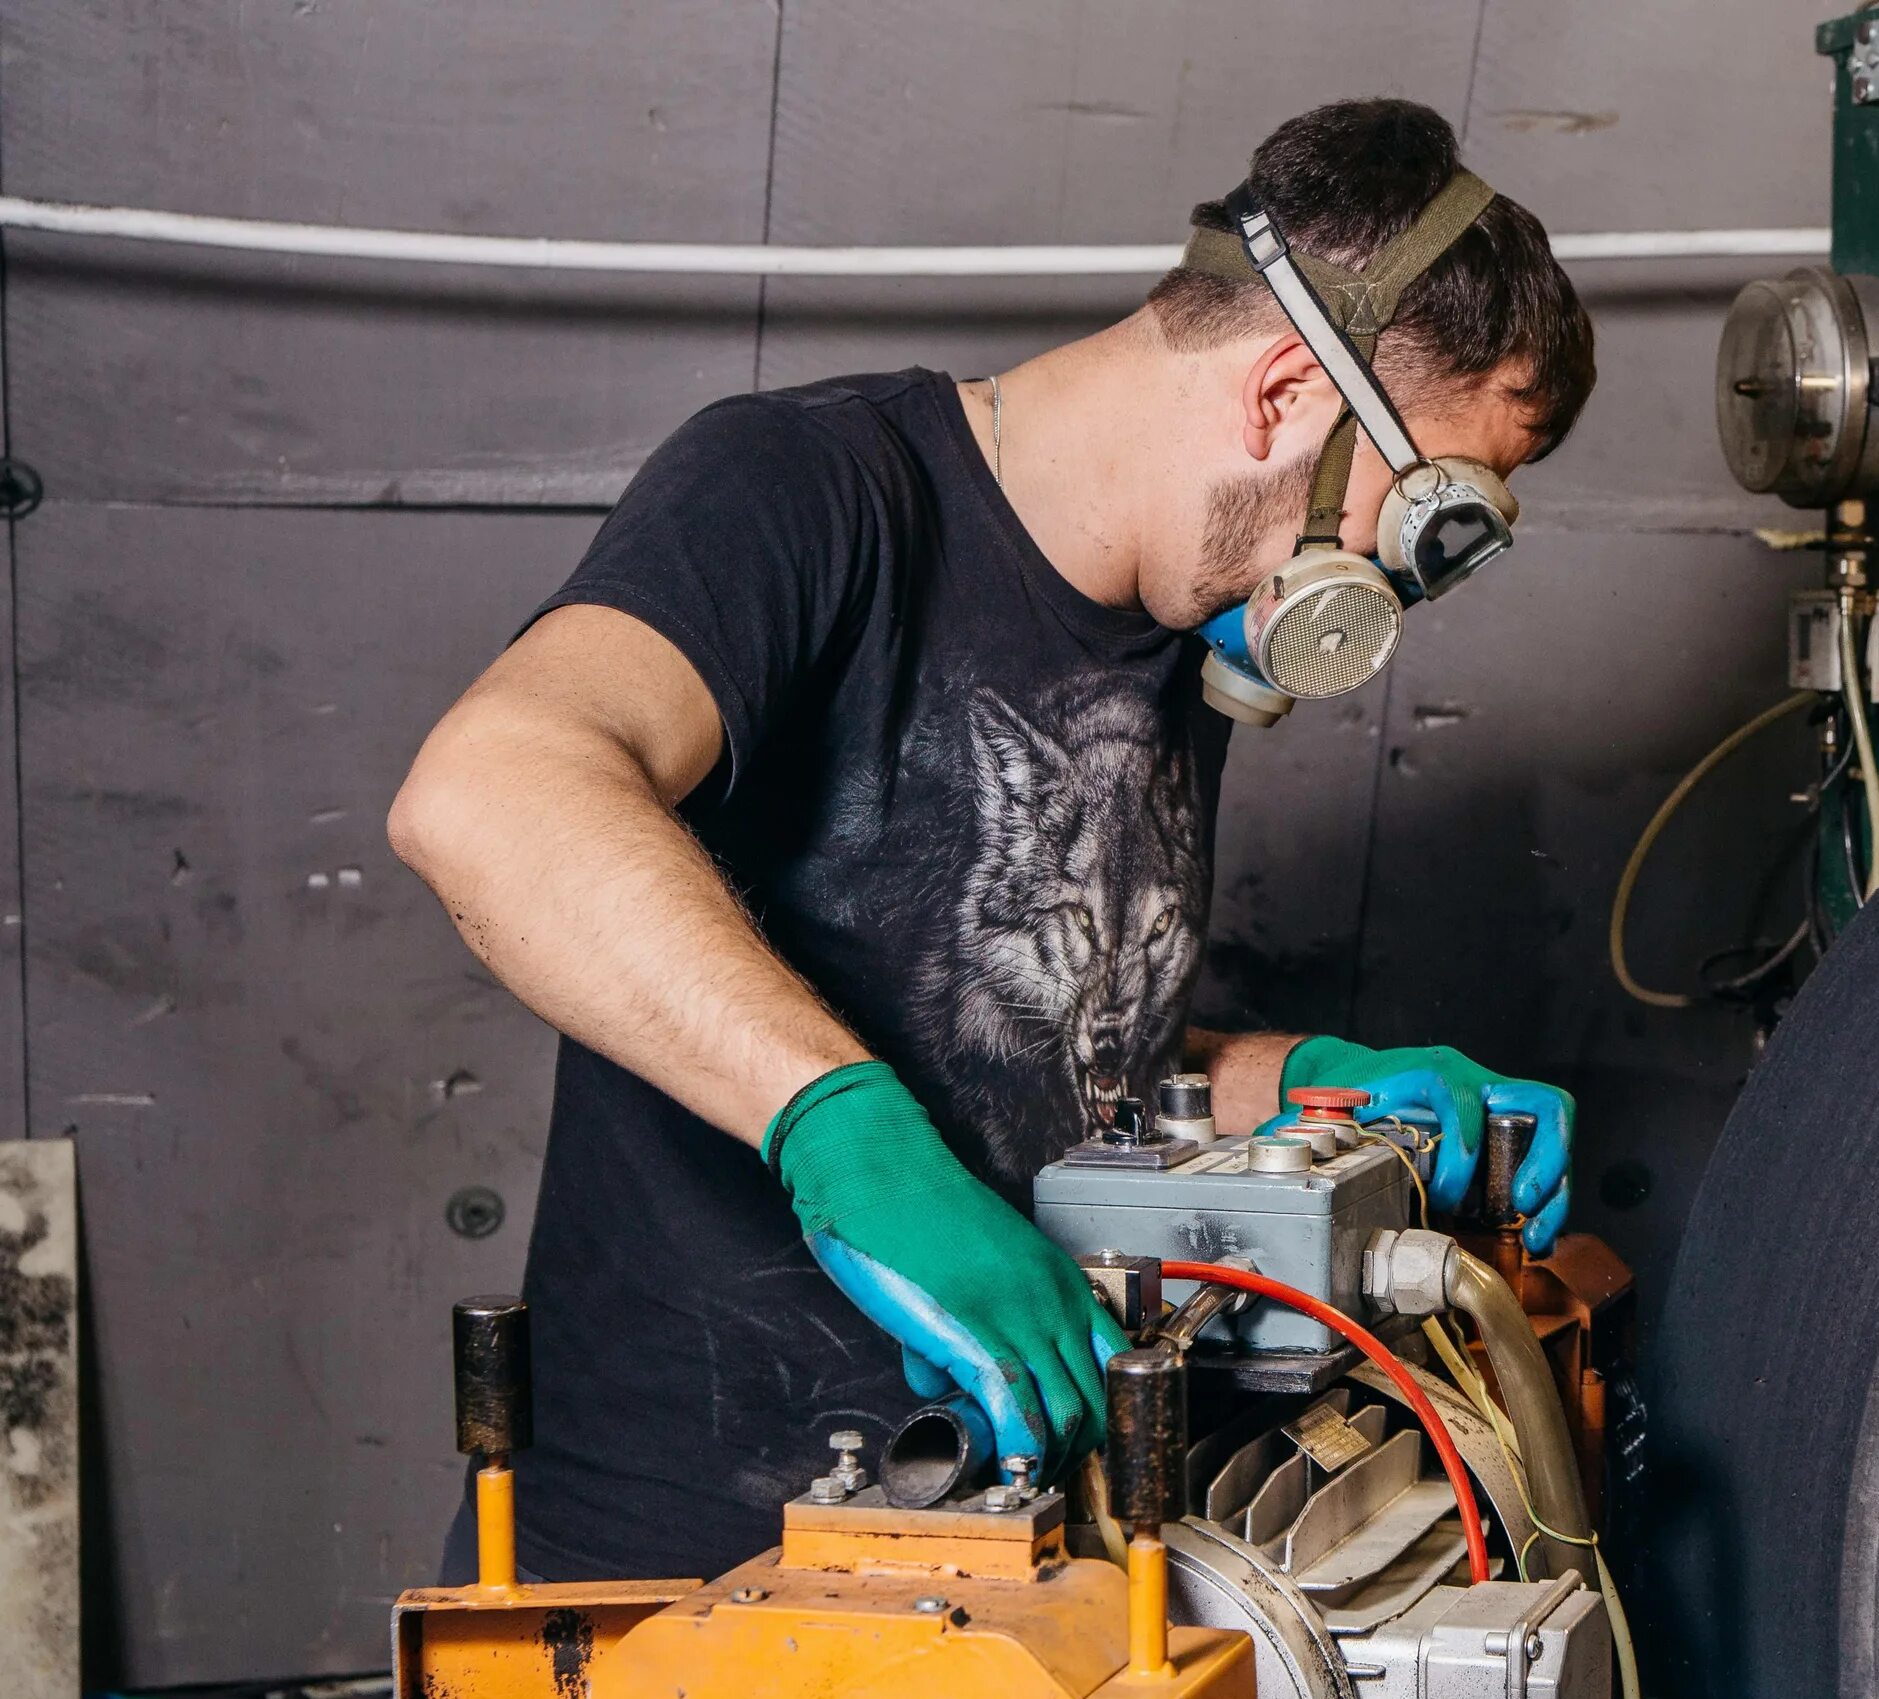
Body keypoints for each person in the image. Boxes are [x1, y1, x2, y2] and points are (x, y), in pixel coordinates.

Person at [388, 98, 1596, 1583]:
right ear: (1289, 393)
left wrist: (1303, 1089)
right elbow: (491, 790)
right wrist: (841, 1126)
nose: (1390, 605)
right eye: (1414, 526)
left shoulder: (1178, 634)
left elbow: (1054, 1045)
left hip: (1009, 1563)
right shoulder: (811, 489)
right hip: (677, 1579)